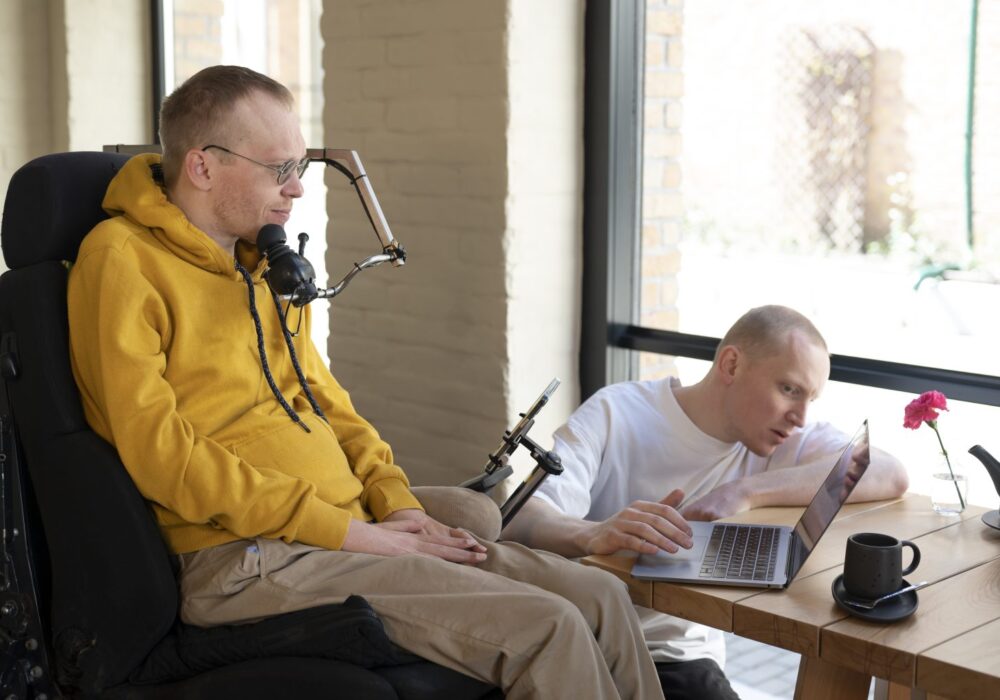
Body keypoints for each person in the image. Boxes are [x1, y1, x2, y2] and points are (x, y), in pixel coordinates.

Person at [66, 65, 663, 699]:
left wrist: (400, 509)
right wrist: (361, 536)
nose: (295, 189)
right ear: (203, 167)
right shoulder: (121, 260)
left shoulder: (262, 264)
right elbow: (163, 458)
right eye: (278, 169)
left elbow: (332, 407)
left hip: (337, 529)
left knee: (599, 593)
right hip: (244, 557)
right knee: (551, 627)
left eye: (301, 166)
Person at [502, 305, 909, 699]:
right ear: (731, 365)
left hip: (676, 654)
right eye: (789, 389)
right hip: (580, 637)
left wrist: (742, 492)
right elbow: (521, 520)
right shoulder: (618, 411)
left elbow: (887, 471)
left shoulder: (781, 438)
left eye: (810, 399)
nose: (800, 417)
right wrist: (594, 533)